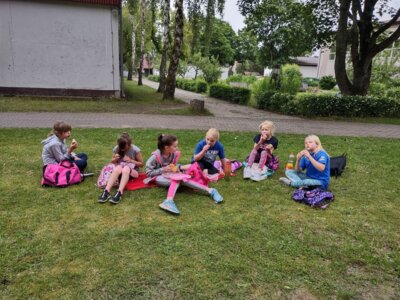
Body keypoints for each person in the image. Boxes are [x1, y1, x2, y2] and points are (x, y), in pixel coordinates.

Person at [145, 134, 223, 215]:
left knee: (181, 178)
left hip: (170, 175)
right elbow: (148, 173)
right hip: (157, 177)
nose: (177, 148)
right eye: (175, 146)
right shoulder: (155, 157)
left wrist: (179, 168)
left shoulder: (172, 154)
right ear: (166, 147)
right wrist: (163, 169)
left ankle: (211, 190)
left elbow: (173, 166)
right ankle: (169, 201)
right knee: (178, 180)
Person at [98, 132, 144, 204]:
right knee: (119, 167)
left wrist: (131, 160)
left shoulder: (135, 150)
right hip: (119, 172)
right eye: (121, 148)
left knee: (126, 168)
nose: (123, 150)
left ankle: (119, 192)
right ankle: (106, 191)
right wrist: (115, 159)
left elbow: (141, 164)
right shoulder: (117, 148)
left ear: (129, 144)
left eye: (124, 148)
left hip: (132, 172)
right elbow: (112, 162)